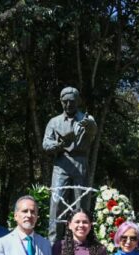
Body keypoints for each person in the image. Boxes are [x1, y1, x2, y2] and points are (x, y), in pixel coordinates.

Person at [42, 87, 97, 241]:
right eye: (65, 102)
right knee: (57, 202)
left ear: (78, 101)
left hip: (80, 162)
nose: (68, 105)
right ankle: (54, 242)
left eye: (72, 101)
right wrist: (59, 145)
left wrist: (90, 125)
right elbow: (46, 144)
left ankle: (82, 241)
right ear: (61, 102)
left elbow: (93, 132)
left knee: (81, 202)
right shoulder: (54, 122)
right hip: (61, 163)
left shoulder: (87, 120)